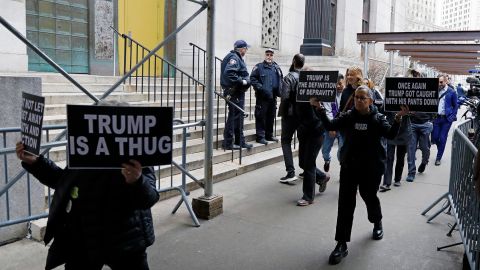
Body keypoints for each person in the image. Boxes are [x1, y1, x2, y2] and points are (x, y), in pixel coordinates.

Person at [15, 143, 159, 270]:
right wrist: (37, 163)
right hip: (83, 237)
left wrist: (137, 181)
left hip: (126, 239)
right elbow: (64, 182)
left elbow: (150, 197)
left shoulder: (135, 144)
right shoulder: (84, 141)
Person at [311, 85, 408, 265]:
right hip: (350, 167)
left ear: (370, 101)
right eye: (357, 97)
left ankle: (377, 221)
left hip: (372, 168)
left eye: (363, 98)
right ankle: (341, 243)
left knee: (369, 196)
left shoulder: (378, 118)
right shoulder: (348, 117)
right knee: (345, 203)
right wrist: (319, 109)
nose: (358, 100)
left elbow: (391, 134)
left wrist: (398, 118)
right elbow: (330, 125)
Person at [221, 40, 253, 150]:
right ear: (242, 49)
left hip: (237, 92)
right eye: (246, 48)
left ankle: (240, 141)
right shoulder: (234, 58)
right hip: (234, 92)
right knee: (234, 116)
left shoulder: (236, 57)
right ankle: (228, 143)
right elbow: (229, 73)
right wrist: (242, 81)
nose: (246, 50)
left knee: (238, 116)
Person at [278, 53, 304, 183]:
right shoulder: (305, 77)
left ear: (294, 61)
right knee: (303, 141)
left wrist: (283, 112)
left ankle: (290, 172)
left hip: (290, 114)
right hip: (303, 114)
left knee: (286, 141)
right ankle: (306, 169)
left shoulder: (289, 77)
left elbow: (285, 97)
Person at [250, 48, 283, 145]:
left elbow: (281, 79)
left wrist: (280, 91)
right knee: (261, 116)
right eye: (267, 54)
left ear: (273, 56)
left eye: (271, 55)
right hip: (262, 97)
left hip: (273, 96)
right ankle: (260, 136)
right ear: (264, 55)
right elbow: (252, 78)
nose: (269, 56)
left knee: (271, 116)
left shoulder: (276, 67)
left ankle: (269, 135)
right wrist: (261, 87)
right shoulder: (259, 67)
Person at [380, 111, 411, 191]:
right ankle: (386, 183)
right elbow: (382, 111)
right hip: (391, 130)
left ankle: (397, 179)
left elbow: (414, 112)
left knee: (400, 158)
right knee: (389, 158)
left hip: (403, 133)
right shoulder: (389, 100)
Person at [431, 74, 458, 166]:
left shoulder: (452, 92)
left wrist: (452, 116)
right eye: (437, 82)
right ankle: (440, 149)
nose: (439, 84)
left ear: (446, 81)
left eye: (441, 82)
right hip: (436, 118)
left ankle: (438, 157)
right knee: (434, 138)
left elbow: (456, 105)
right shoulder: (434, 91)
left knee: (442, 138)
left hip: (446, 119)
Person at [321, 74, 345, 172]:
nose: (339, 86)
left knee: (342, 150)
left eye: (341, 84)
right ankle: (327, 160)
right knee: (325, 150)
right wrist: (331, 128)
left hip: (342, 127)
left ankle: (343, 166)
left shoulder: (345, 94)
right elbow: (328, 111)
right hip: (331, 126)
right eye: (337, 84)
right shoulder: (328, 95)